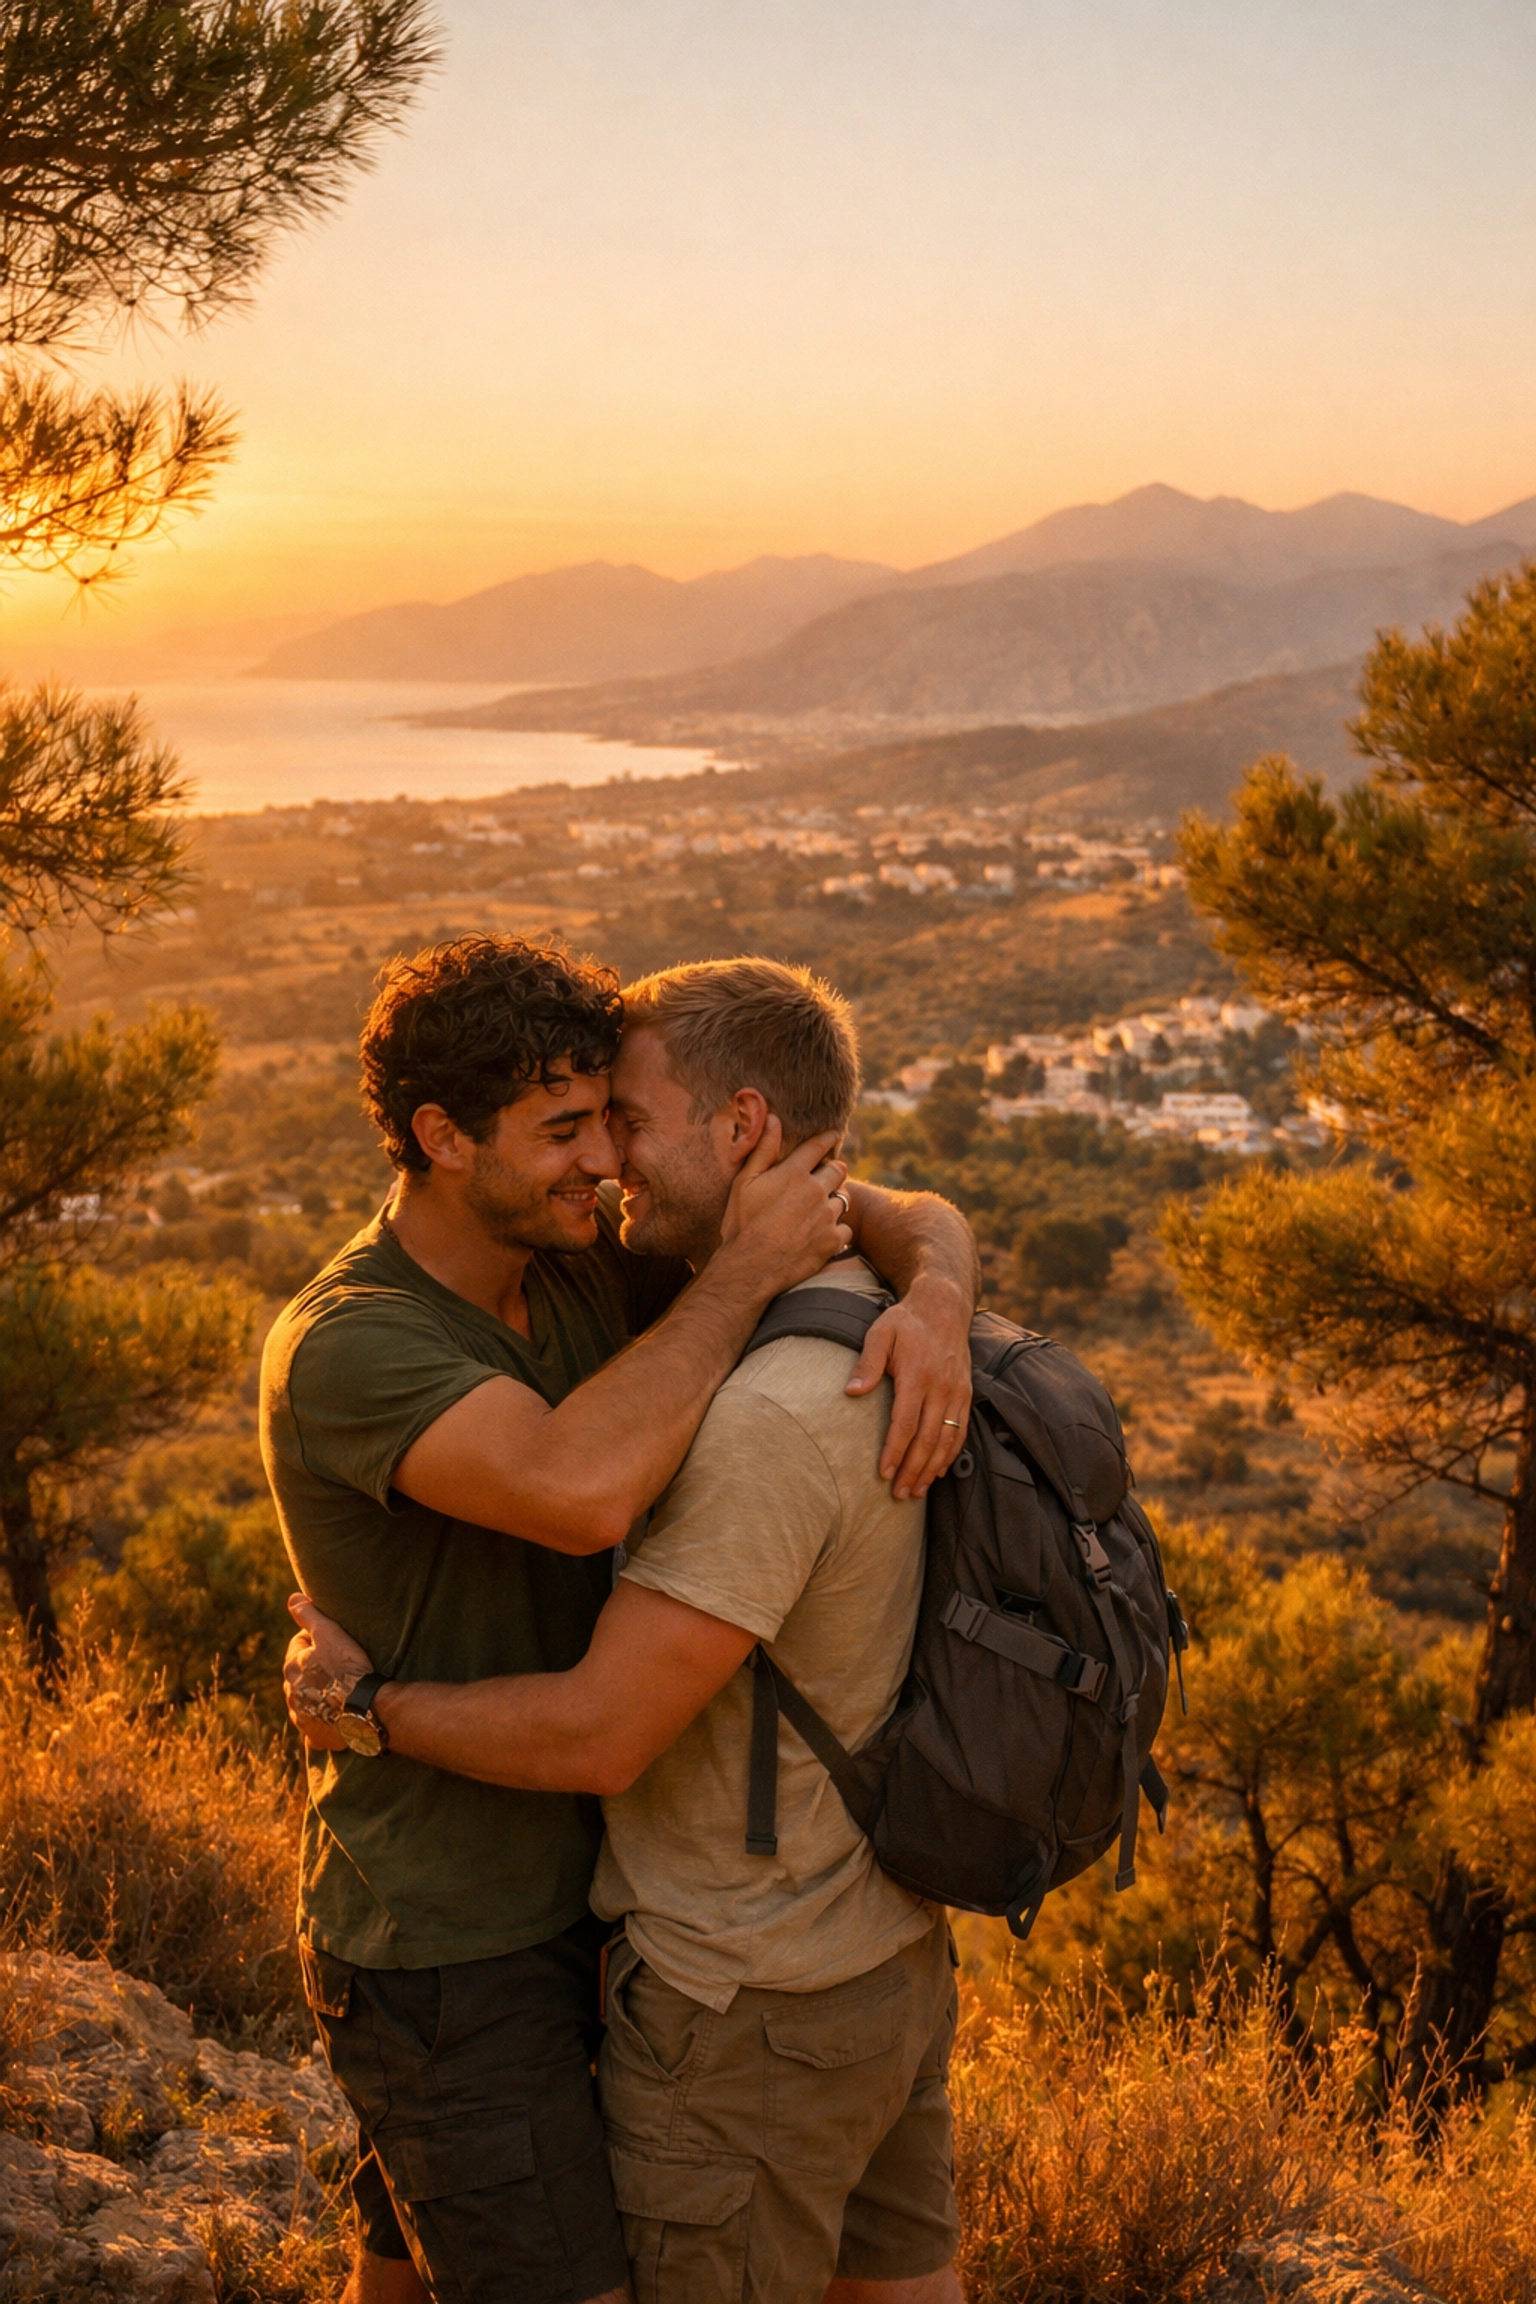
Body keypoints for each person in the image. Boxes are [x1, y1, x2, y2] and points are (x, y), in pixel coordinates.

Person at [263, 934, 976, 2304]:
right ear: (442, 1137)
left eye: (612, 1120)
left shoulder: (581, 1261)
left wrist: (939, 1292)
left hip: (602, 1905)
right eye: (565, 1129)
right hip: (448, 1932)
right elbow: (578, 1490)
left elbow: (876, 1200)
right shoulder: (354, 1340)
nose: (606, 1163)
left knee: (405, 2263)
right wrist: (742, 1278)